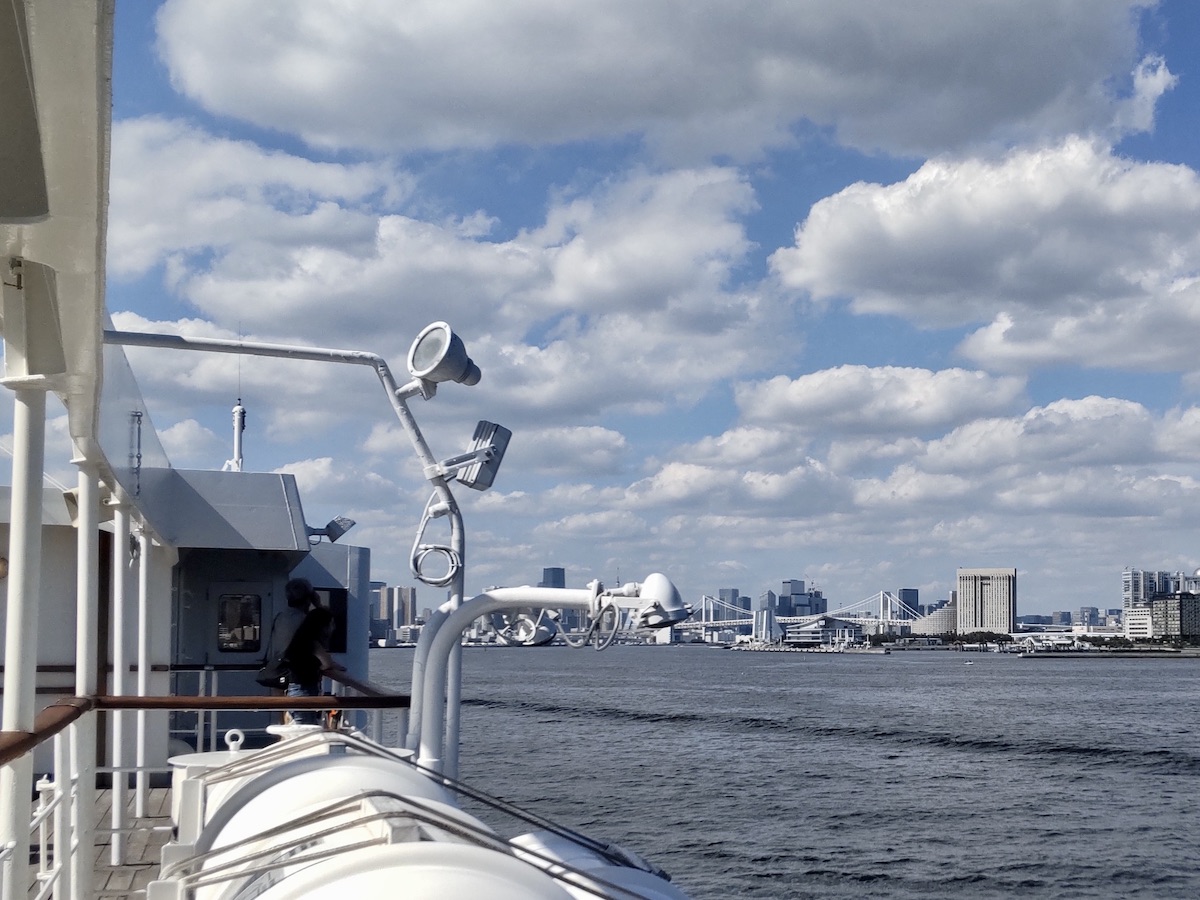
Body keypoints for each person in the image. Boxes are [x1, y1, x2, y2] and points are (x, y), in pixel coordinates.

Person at [283, 604, 344, 725]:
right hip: (303, 692)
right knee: (304, 729)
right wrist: (325, 666)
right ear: (322, 626)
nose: (332, 627)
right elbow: (326, 663)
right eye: (330, 624)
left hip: (295, 690)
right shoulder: (312, 643)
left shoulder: (301, 640)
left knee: (301, 727)